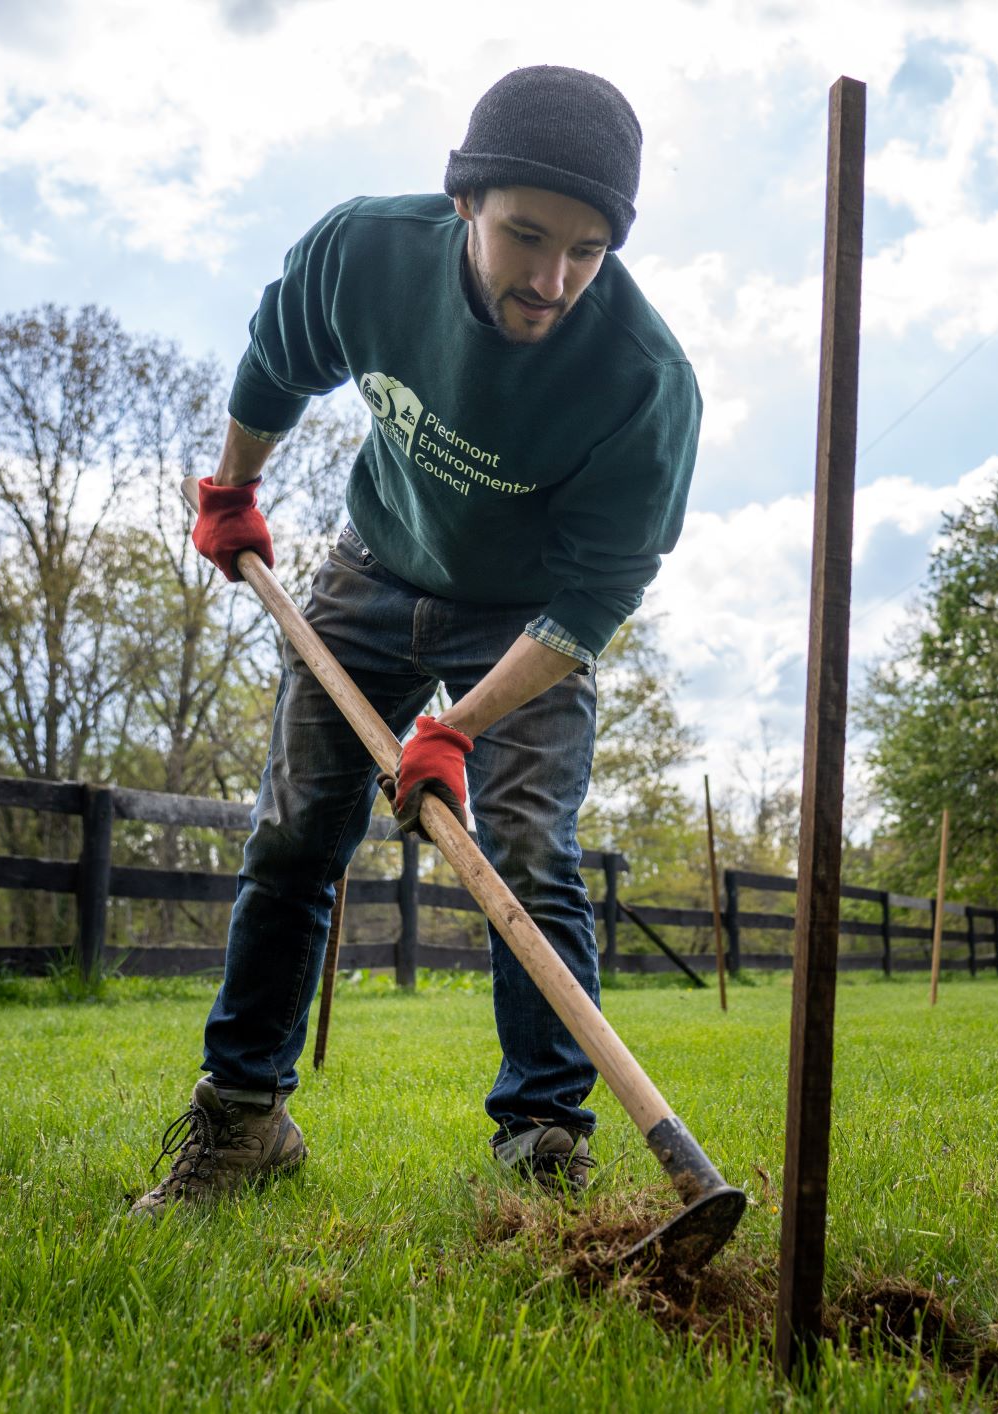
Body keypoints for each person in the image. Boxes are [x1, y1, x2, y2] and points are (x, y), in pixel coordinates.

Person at [131, 65, 701, 1215]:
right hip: (374, 564)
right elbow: (276, 360)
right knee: (294, 838)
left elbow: (591, 604)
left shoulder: (641, 383)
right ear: (464, 204)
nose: (550, 281)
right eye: (526, 236)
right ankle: (242, 1120)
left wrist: (456, 725)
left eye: (586, 252)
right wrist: (232, 492)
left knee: (534, 855)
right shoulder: (365, 254)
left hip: (526, 619)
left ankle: (543, 1142)